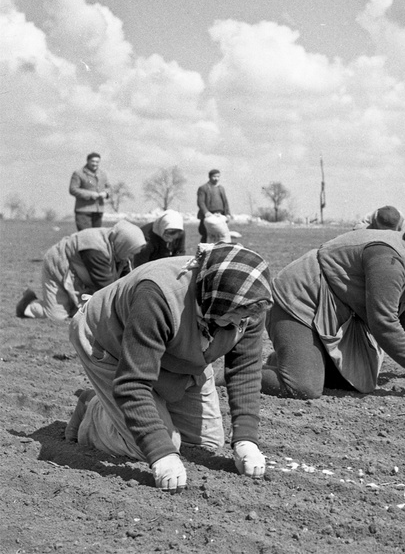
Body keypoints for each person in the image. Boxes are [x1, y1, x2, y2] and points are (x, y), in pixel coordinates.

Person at [64, 242, 273, 493]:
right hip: (112, 344)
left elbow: (244, 370)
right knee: (154, 445)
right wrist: (161, 453)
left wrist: (246, 439)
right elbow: (133, 382)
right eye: (233, 315)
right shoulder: (158, 296)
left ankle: (148, 411)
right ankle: (94, 411)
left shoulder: (250, 302)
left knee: (206, 444)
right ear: (214, 299)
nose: (240, 323)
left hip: (178, 351)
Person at [261, 221, 405, 400]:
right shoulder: (389, 258)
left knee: (353, 380)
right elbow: (383, 321)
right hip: (299, 301)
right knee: (303, 387)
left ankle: (290, 358)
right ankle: (237, 375)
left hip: (330, 311)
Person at [16, 220, 146, 321]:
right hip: (59, 265)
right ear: (124, 244)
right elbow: (106, 286)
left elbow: (126, 278)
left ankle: (69, 303)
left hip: (80, 271)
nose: (131, 257)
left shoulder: (117, 245)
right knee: (56, 316)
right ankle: (27, 304)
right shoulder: (96, 249)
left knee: (82, 312)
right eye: (130, 252)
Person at [69, 152, 111, 230]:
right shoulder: (78, 173)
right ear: (88, 161)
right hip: (83, 210)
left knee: (96, 237)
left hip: (98, 210)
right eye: (93, 161)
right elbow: (73, 189)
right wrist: (90, 194)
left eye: (97, 162)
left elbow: (109, 188)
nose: (95, 164)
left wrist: (106, 194)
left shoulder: (103, 174)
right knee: (85, 236)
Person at [197, 169, 231, 243]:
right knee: (206, 236)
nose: (216, 178)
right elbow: (201, 202)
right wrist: (206, 212)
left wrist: (227, 214)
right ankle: (204, 253)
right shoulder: (203, 188)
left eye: (218, 176)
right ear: (209, 177)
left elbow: (225, 202)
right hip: (208, 217)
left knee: (221, 237)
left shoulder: (221, 188)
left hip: (220, 216)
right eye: (214, 176)